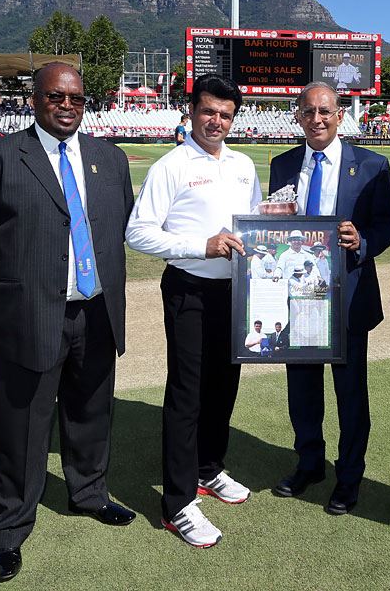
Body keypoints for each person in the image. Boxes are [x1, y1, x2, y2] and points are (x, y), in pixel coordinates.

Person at [0, 62, 136, 583]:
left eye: (76, 97)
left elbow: (119, 225)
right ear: (35, 99)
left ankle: (89, 494)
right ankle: (9, 528)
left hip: (95, 313)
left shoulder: (109, 159)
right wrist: (13, 282)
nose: (67, 105)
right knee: (21, 428)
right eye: (56, 96)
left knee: (91, 413)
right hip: (25, 317)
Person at [125, 73, 261, 548]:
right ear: (191, 112)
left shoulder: (245, 165)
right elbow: (138, 232)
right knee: (187, 394)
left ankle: (209, 468)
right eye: (208, 111)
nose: (216, 121)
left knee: (225, 384)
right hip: (189, 289)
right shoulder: (172, 165)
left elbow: (256, 227)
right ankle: (178, 502)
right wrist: (199, 246)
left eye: (225, 114)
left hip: (237, 293)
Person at [268, 81, 390, 515]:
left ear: (340, 115)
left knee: (350, 394)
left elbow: (387, 227)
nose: (317, 119)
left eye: (325, 111)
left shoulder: (373, 165)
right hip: (296, 296)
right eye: (308, 111)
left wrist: (361, 241)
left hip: (347, 297)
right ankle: (309, 464)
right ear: (297, 115)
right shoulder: (282, 164)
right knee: (301, 390)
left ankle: (349, 476)